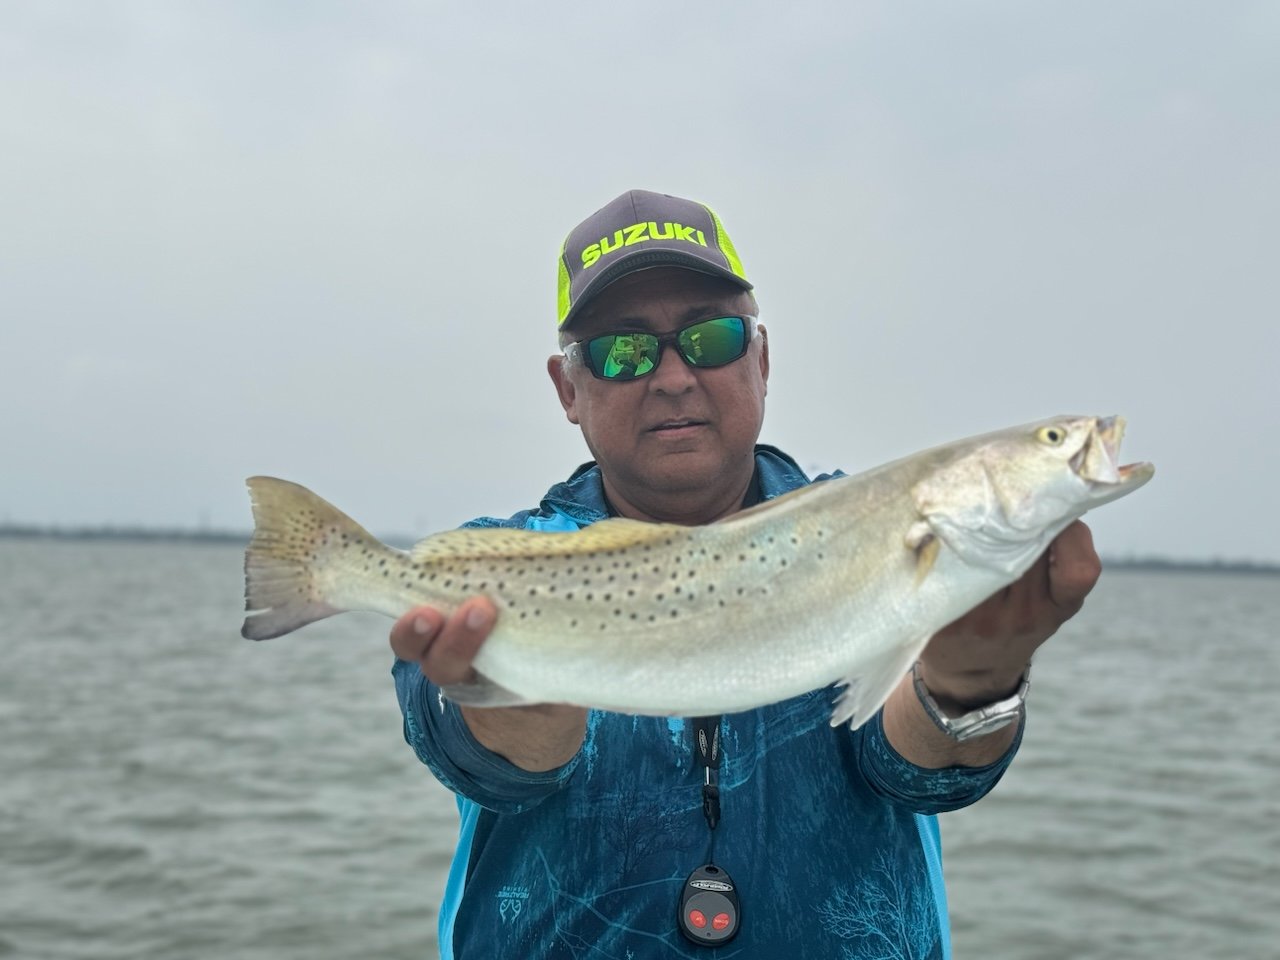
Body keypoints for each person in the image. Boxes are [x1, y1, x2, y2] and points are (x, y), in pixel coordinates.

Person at [389, 190, 1100, 958]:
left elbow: (923, 775)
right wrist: (519, 703)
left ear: (761, 360)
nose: (671, 376)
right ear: (569, 389)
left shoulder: (872, 532)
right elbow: (471, 759)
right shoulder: (490, 565)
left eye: (711, 337)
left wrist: (972, 682)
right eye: (622, 352)